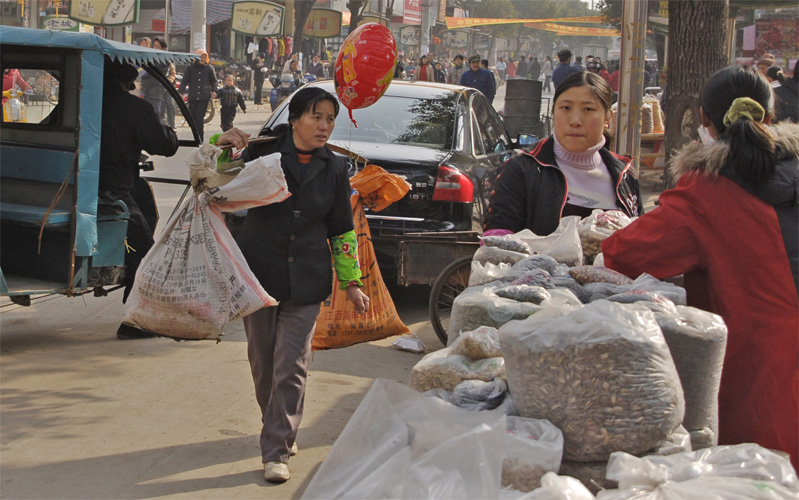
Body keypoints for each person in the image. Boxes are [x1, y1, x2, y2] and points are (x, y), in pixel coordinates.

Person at [601, 64, 798, 470]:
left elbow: (624, 253)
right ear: (771, 116)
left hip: (762, 376)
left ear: (704, 121)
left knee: (761, 480)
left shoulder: (709, 189)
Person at [213, 86, 370, 483]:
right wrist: (221, 142)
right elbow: (214, 182)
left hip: (308, 276)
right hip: (260, 272)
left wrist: (352, 282)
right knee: (263, 362)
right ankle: (277, 423)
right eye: (316, 117)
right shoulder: (263, 152)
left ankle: (276, 448)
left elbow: (341, 229)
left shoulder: (334, 168)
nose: (324, 126)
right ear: (296, 118)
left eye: (330, 119)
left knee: (292, 365)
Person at [483, 71, 642, 237]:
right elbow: (495, 241)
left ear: (607, 118)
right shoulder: (522, 170)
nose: (575, 121)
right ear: (553, 112)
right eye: (565, 108)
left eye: (588, 109)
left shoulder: (625, 175)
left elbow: (641, 240)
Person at [99, 58, 179, 339]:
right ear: (126, 83)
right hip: (112, 194)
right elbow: (164, 145)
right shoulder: (135, 108)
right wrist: (169, 129)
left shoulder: (83, 103)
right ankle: (135, 322)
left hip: (87, 185)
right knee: (144, 251)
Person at [178, 49, 217, 141]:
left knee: (199, 118)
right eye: (201, 57)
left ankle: (200, 139)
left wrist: (214, 91)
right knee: (192, 118)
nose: (203, 59)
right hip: (193, 97)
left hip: (204, 98)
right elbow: (184, 82)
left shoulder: (209, 68)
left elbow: (214, 81)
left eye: (204, 57)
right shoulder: (190, 68)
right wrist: (180, 92)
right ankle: (195, 137)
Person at [152, 37, 177, 128]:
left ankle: (172, 124)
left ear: (163, 48)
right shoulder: (151, 58)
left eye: (157, 46)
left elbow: (172, 73)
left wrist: (168, 81)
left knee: (170, 104)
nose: (155, 47)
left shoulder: (167, 60)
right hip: (154, 87)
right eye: (154, 45)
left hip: (166, 86)